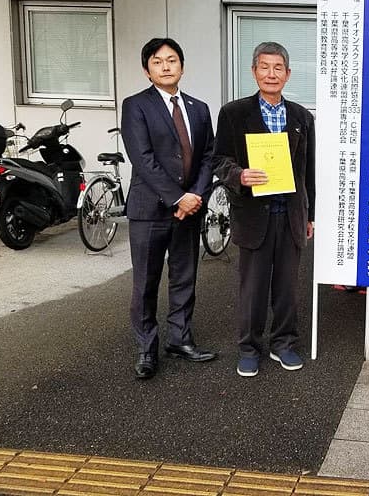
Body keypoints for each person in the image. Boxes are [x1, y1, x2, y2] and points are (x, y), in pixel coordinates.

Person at [212, 42, 315, 378]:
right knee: (253, 287)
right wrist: (239, 175)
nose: (272, 74)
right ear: (254, 71)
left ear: (288, 73)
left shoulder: (301, 117)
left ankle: (283, 343)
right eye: (265, 67)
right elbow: (219, 159)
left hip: (290, 214)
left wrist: (310, 215)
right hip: (254, 213)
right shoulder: (233, 113)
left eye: (278, 68)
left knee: (287, 287)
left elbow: (308, 171)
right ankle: (249, 347)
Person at [121, 37, 217, 380]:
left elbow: (208, 156)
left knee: (184, 278)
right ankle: (147, 348)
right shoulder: (136, 105)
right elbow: (142, 159)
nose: (166, 66)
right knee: (146, 282)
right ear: (147, 70)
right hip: (150, 210)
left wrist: (195, 196)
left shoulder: (199, 108)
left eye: (172, 60)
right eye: (158, 61)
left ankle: (180, 339)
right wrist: (178, 198)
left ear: (182, 66)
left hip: (189, 210)